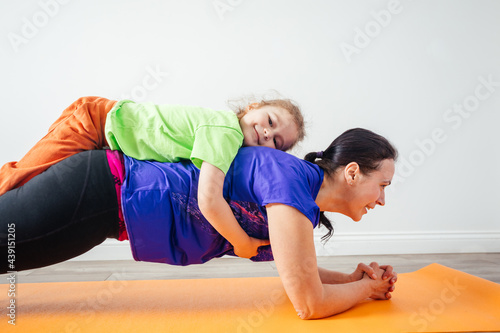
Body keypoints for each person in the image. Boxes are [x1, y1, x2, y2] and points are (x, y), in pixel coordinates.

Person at [0, 128, 398, 319]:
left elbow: (298, 273)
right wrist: (366, 289)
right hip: (100, 190)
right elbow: (308, 304)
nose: (381, 199)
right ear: (350, 173)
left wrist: (353, 280)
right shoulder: (289, 188)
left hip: (105, 202)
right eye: (381, 185)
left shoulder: (298, 201)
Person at [0, 95, 305, 259]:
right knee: (19, 182)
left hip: (100, 130)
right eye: (270, 121)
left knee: (22, 190)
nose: (268, 133)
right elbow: (208, 200)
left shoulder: (225, 138)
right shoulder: (225, 131)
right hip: (93, 122)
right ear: (253, 107)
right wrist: (241, 243)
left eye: (276, 141)